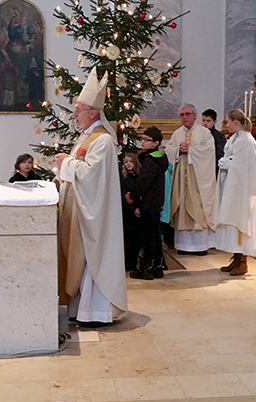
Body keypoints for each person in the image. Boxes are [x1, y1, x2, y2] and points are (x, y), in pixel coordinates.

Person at [54, 67, 127, 327]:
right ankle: (80, 308)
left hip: (94, 213)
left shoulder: (103, 140)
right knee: (79, 257)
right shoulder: (86, 136)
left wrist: (65, 162)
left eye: (78, 110)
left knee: (92, 257)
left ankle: (96, 311)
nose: (75, 114)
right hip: (81, 209)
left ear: (93, 112)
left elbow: (91, 176)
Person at [213, 109, 256, 276]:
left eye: (228, 121)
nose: (227, 124)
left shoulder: (246, 140)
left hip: (242, 191)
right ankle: (236, 257)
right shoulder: (235, 138)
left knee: (239, 223)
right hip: (233, 187)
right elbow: (235, 159)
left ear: (236, 122)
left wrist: (231, 165)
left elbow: (248, 166)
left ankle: (243, 261)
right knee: (231, 223)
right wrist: (226, 162)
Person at [166, 103, 216, 255]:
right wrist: (178, 151)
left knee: (198, 207)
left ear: (195, 115)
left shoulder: (204, 133)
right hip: (181, 178)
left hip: (198, 179)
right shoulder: (177, 134)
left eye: (187, 114)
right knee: (181, 207)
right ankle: (183, 245)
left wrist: (191, 151)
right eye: (182, 115)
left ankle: (201, 246)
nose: (185, 117)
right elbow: (168, 150)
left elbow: (209, 152)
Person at [126, 126, 169, 280]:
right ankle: (157, 267)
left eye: (146, 140)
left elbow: (144, 183)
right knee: (155, 236)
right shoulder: (158, 157)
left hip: (149, 203)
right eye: (142, 139)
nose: (142, 142)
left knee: (148, 237)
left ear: (156, 142)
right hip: (155, 203)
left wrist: (133, 196)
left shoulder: (151, 161)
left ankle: (147, 269)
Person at [120, 153, 141, 271]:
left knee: (136, 240)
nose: (128, 164)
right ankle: (127, 262)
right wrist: (133, 209)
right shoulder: (124, 180)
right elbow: (124, 197)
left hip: (138, 211)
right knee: (127, 239)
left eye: (130, 162)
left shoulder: (140, 178)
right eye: (126, 162)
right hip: (128, 212)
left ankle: (133, 262)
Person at [202, 109, 226, 177]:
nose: (205, 123)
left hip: (213, 169)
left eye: (208, 121)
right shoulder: (198, 134)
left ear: (214, 122)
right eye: (203, 120)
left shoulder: (219, 136)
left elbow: (220, 155)